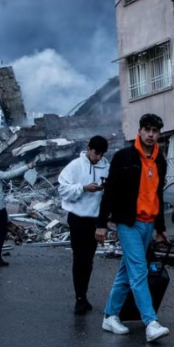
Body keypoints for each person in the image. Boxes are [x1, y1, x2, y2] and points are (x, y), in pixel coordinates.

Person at [97, 114, 170, 342]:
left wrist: (160, 228)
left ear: (159, 133)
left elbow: (158, 195)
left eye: (155, 131)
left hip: (149, 224)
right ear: (139, 131)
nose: (150, 134)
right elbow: (110, 192)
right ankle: (151, 322)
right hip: (128, 223)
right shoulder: (124, 157)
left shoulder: (160, 160)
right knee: (139, 271)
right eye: (147, 129)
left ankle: (110, 316)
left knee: (126, 273)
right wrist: (101, 224)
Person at [58, 135, 110, 315]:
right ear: (88, 149)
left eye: (101, 154)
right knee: (80, 258)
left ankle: (83, 295)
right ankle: (79, 298)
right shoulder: (74, 166)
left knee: (88, 260)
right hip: (78, 218)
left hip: (95, 221)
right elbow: (62, 189)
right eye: (96, 153)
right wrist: (83, 188)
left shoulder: (106, 166)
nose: (98, 157)